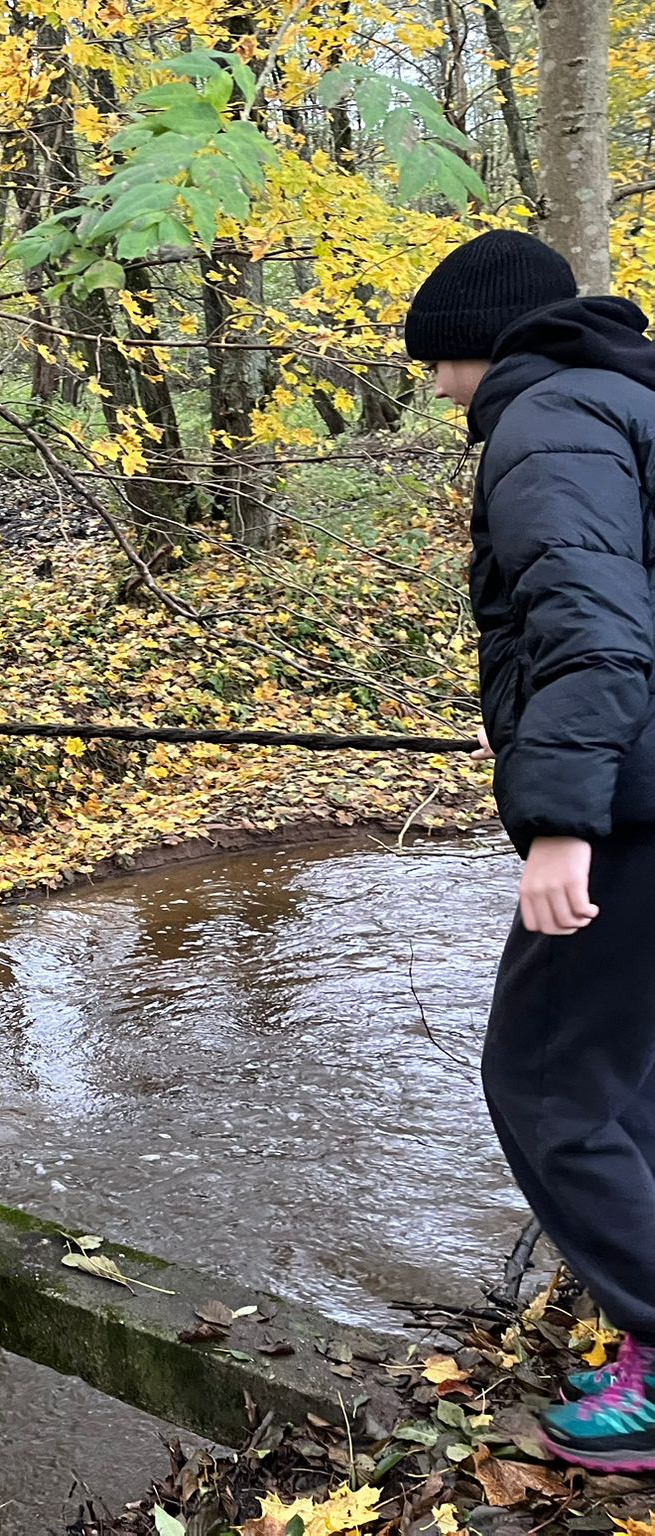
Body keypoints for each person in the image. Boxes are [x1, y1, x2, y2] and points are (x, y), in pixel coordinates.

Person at [410, 229, 655, 1470]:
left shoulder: (545, 424)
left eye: (434, 363)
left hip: (627, 804)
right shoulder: (624, 399)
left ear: (478, 343)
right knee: (628, 1079)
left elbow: (595, 632)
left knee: (546, 1085)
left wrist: (560, 824)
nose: (434, 390)